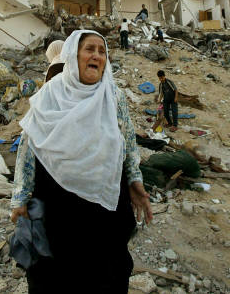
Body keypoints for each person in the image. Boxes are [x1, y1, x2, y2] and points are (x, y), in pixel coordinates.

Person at [11, 30, 153, 294]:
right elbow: (28, 146)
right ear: (73, 55)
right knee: (52, 273)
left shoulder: (114, 96)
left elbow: (128, 141)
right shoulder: (51, 93)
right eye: (90, 49)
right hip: (56, 201)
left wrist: (134, 179)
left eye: (102, 51)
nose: (97, 56)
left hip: (102, 203)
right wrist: (20, 196)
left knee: (106, 271)